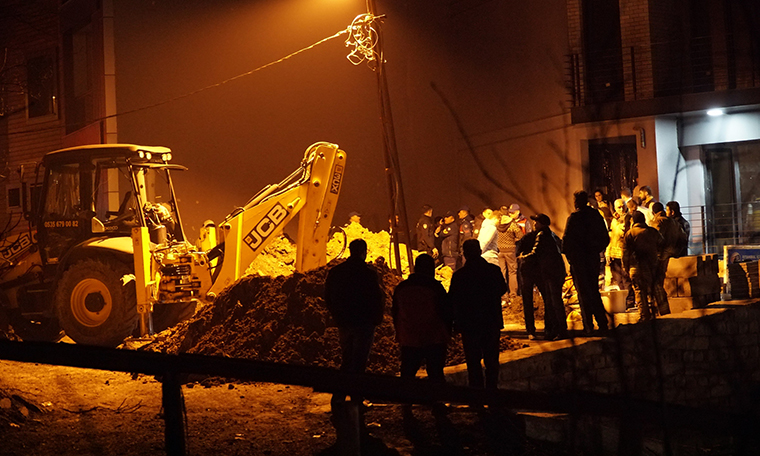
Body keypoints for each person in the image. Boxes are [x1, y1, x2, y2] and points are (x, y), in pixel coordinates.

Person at [324, 239, 385, 420]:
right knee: (359, 362)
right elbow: (376, 298)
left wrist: (336, 315)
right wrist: (377, 318)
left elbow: (328, 296)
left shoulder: (336, 272)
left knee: (347, 358)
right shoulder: (368, 274)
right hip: (363, 323)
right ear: (364, 252)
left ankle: (339, 398)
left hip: (344, 322)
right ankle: (357, 400)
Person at [449, 239, 508, 389]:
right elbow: (502, 288)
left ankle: (477, 396)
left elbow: (453, 299)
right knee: (492, 361)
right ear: (480, 252)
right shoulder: (493, 271)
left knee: (473, 362)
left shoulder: (460, 276)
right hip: (491, 321)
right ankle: (492, 394)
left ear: (465, 254)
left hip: (470, 325)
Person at [392, 254, 451, 383]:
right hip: (433, 337)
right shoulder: (435, 288)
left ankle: (407, 399)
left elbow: (395, 312)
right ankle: (434, 399)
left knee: (408, 372)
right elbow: (445, 312)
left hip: (409, 337)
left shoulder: (402, 288)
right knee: (435, 373)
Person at [563, 190, 610, 335]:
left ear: (577, 202)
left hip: (580, 261)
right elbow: (605, 238)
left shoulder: (575, 218)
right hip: (592, 259)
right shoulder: (595, 216)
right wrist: (595, 250)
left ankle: (588, 324)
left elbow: (566, 242)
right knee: (594, 291)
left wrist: (572, 256)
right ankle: (602, 323)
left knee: (583, 293)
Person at [518, 214, 568, 340]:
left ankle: (554, 330)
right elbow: (562, 248)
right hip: (552, 272)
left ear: (541, 223)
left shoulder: (540, 236)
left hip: (546, 273)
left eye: (536, 222)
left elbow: (534, 252)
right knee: (551, 302)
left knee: (552, 302)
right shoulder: (552, 235)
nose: (534, 224)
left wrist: (522, 258)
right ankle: (551, 330)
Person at [622, 211, 663, 322]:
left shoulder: (630, 234)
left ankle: (644, 316)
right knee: (656, 289)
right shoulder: (653, 232)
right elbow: (662, 245)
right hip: (652, 266)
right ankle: (661, 314)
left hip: (636, 267)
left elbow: (625, 254)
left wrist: (625, 267)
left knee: (640, 291)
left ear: (633, 221)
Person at [650, 202, 680, 316]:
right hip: (673, 254)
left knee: (657, 284)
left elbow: (655, 239)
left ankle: (663, 310)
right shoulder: (673, 222)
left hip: (661, 256)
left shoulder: (657, 222)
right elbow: (683, 237)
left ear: (653, 213)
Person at [607, 199, 634, 309]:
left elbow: (623, 233)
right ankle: (623, 301)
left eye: (623, 206)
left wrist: (620, 220)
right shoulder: (614, 221)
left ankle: (629, 301)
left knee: (626, 279)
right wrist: (608, 253)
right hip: (614, 253)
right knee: (618, 279)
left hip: (624, 253)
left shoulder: (628, 219)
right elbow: (612, 237)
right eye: (619, 207)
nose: (621, 209)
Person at [497, 205, 525, 303]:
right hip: (510, 250)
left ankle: (504, 296)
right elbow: (520, 236)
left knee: (502, 273)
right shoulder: (512, 224)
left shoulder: (497, 224)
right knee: (512, 272)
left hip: (500, 251)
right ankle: (513, 295)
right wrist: (514, 240)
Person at [516, 228, 539, 339]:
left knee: (527, 301)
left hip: (527, 270)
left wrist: (522, 258)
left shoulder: (527, 237)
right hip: (540, 270)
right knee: (548, 298)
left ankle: (530, 330)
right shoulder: (549, 236)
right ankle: (551, 329)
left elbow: (517, 250)